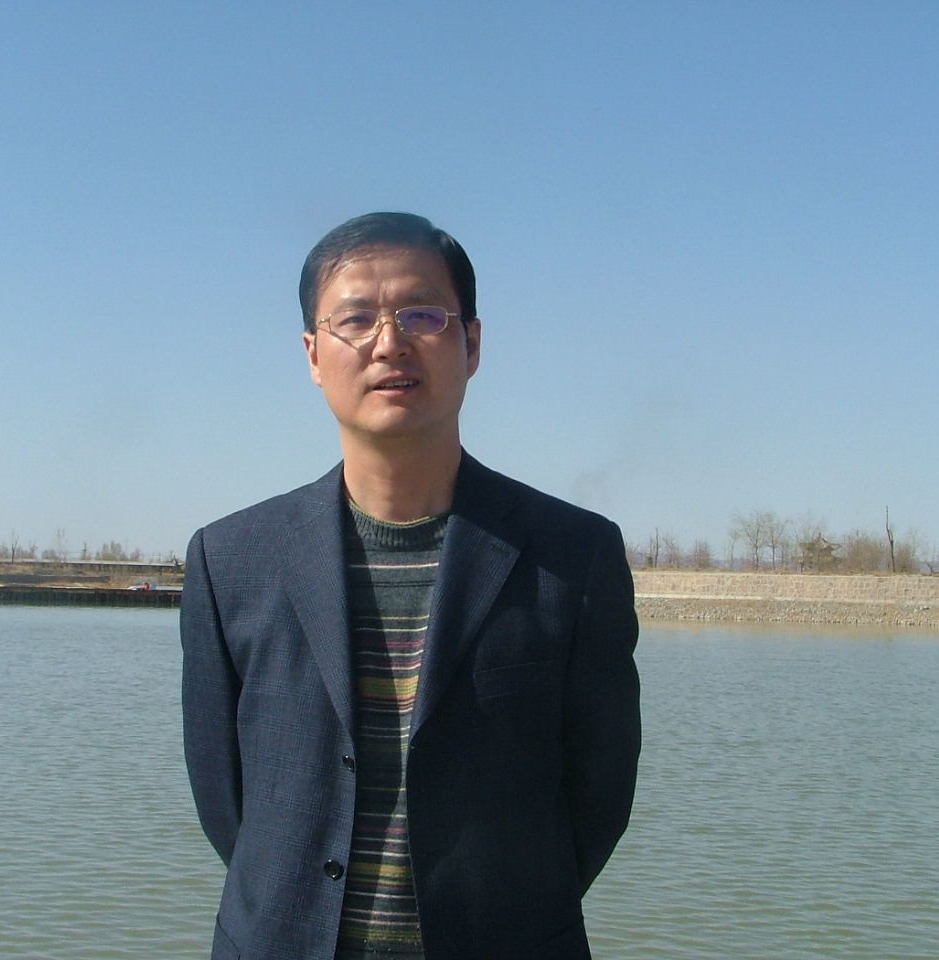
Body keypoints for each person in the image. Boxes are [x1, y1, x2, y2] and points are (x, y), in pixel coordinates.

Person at [181, 212, 640, 960]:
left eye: (422, 315)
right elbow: (224, 800)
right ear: (313, 354)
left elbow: (599, 796)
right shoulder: (230, 559)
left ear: (472, 344)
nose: (389, 342)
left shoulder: (573, 556)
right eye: (355, 319)